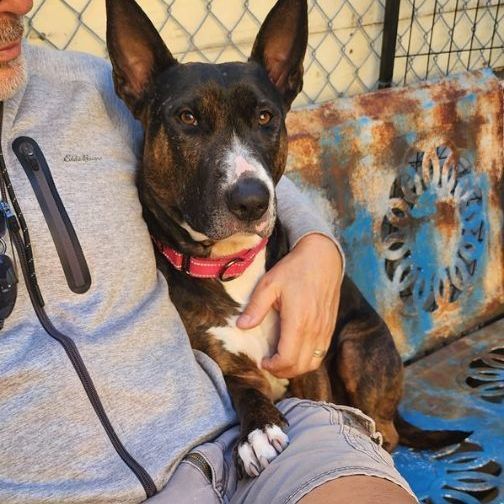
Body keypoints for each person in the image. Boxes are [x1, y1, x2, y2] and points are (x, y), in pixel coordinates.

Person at [0, 1, 417, 502]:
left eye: (264, 115)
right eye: (190, 121)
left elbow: (255, 179)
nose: (19, 3)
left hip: (217, 428)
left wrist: (316, 244)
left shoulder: (91, 91)